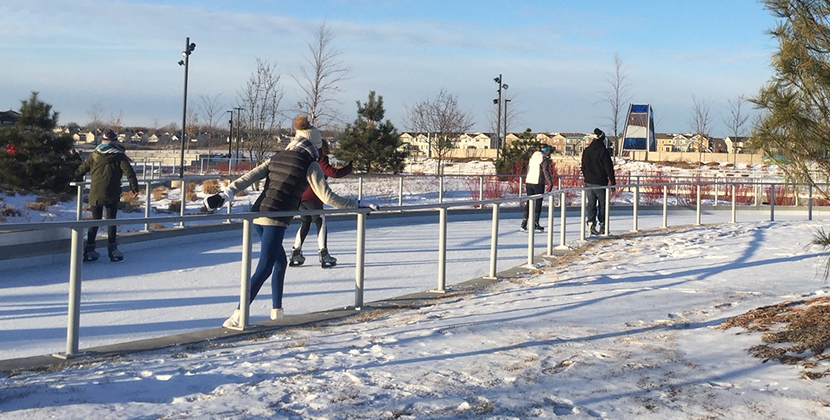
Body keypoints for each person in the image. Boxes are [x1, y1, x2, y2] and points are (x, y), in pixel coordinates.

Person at [204, 115, 378, 328]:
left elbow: (249, 177)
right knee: (265, 266)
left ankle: (277, 311)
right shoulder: (310, 164)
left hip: (257, 214)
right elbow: (327, 198)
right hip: (275, 217)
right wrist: (357, 204)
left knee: (279, 262)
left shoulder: (278, 156)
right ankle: (238, 315)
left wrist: (225, 195)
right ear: (315, 144)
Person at [74, 129, 139, 262]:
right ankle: (113, 250)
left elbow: (81, 170)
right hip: (111, 192)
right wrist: (134, 188)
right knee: (111, 221)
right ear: (115, 142)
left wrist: (75, 182)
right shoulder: (119, 156)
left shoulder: (94, 155)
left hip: (95, 193)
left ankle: (89, 250)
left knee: (95, 220)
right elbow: (129, 172)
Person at [290, 139, 353, 268]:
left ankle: (296, 252)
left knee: (305, 223)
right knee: (321, 222)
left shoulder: (305, 157)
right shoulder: (320, 159)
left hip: (301, 195)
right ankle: (324, 254)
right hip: (313, 196)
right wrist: (349, 167)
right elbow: (333, 173)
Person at [581, 128, 617, 235]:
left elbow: (583, 166)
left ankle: (591, 224)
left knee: (591, 204)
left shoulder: (586, 151)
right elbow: (608, 168)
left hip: (588, 182)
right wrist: (612, 181)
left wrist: (586, 176)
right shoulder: (603, 151)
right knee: (603, 205)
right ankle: (603, 225)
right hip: (600, 183)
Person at [521, 144, 554, 231]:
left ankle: (524, 223)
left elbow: (529, 169)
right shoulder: (544, 159)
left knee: (529, 202)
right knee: (538, 203)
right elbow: (545, 171)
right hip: (538, 182)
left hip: (529, 181)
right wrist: (550, 183)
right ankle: (535, 223)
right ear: (546, 150)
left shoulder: (532, 157)